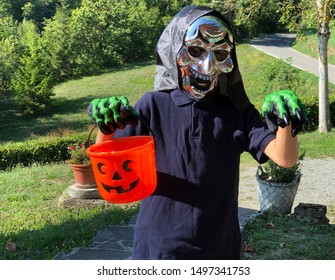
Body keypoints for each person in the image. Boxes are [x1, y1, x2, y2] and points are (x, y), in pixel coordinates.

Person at [87, 5, 307, 260]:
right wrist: (107, 129)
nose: (207, 65)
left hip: (219, 250)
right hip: (158, 249)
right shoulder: (153, 106)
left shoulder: (237, 111)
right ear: (174, 51)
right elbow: (111, 170)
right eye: (195, 50)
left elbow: (285, 158)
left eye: (220, 53)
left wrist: (285, 122)